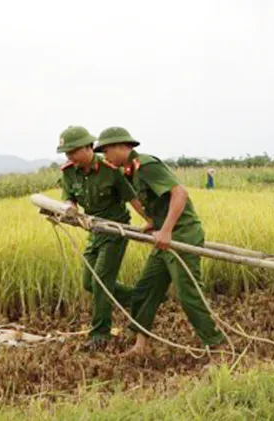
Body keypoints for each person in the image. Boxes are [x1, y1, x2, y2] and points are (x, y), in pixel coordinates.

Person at [95, 126, 225, 357]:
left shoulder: (146, 165)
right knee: (145, 289)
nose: (105, 157)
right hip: (165, 233)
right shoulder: (130, 172)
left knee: (188, 293)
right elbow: (159, 201)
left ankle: (217, 346)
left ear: (118, 146)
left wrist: (165, 230)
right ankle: (141, 346)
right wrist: (155, 222)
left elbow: (179, 193)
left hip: (182, 233)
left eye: (105, 151)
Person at [56, 125, 144, 350]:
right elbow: (69, 197)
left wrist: (154, 222)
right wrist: (69, 208)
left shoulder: (111, 170)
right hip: (94, 231)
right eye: (67, 153)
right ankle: (142, 299)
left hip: (116, 231)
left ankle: (100, 334)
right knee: (88, 283)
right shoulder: (69, 172)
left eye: (74, 152)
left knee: (101, 282)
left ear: (88, 148)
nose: (70, 157)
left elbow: (133, 199)